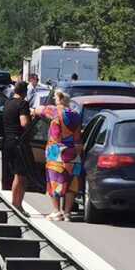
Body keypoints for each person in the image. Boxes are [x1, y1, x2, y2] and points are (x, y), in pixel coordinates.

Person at [32, 90, 83, 221]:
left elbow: (39, 110)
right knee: (71, 183)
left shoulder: (54, 111)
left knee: (54, 181)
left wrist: (33, 111)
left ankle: (56, 211)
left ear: (58, 100)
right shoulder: (76, 114)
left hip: (56, 153)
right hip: (74, 153)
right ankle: (67, 213)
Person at [4, 81, 32, 213]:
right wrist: (31, 118)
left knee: (17, 174)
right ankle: (16, 204)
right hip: (19, 143)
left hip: (8, 141)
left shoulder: (8, 103)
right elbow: (24, 122)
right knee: (20, 175)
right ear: (25, 92)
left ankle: (16, 204)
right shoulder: (23, 103)